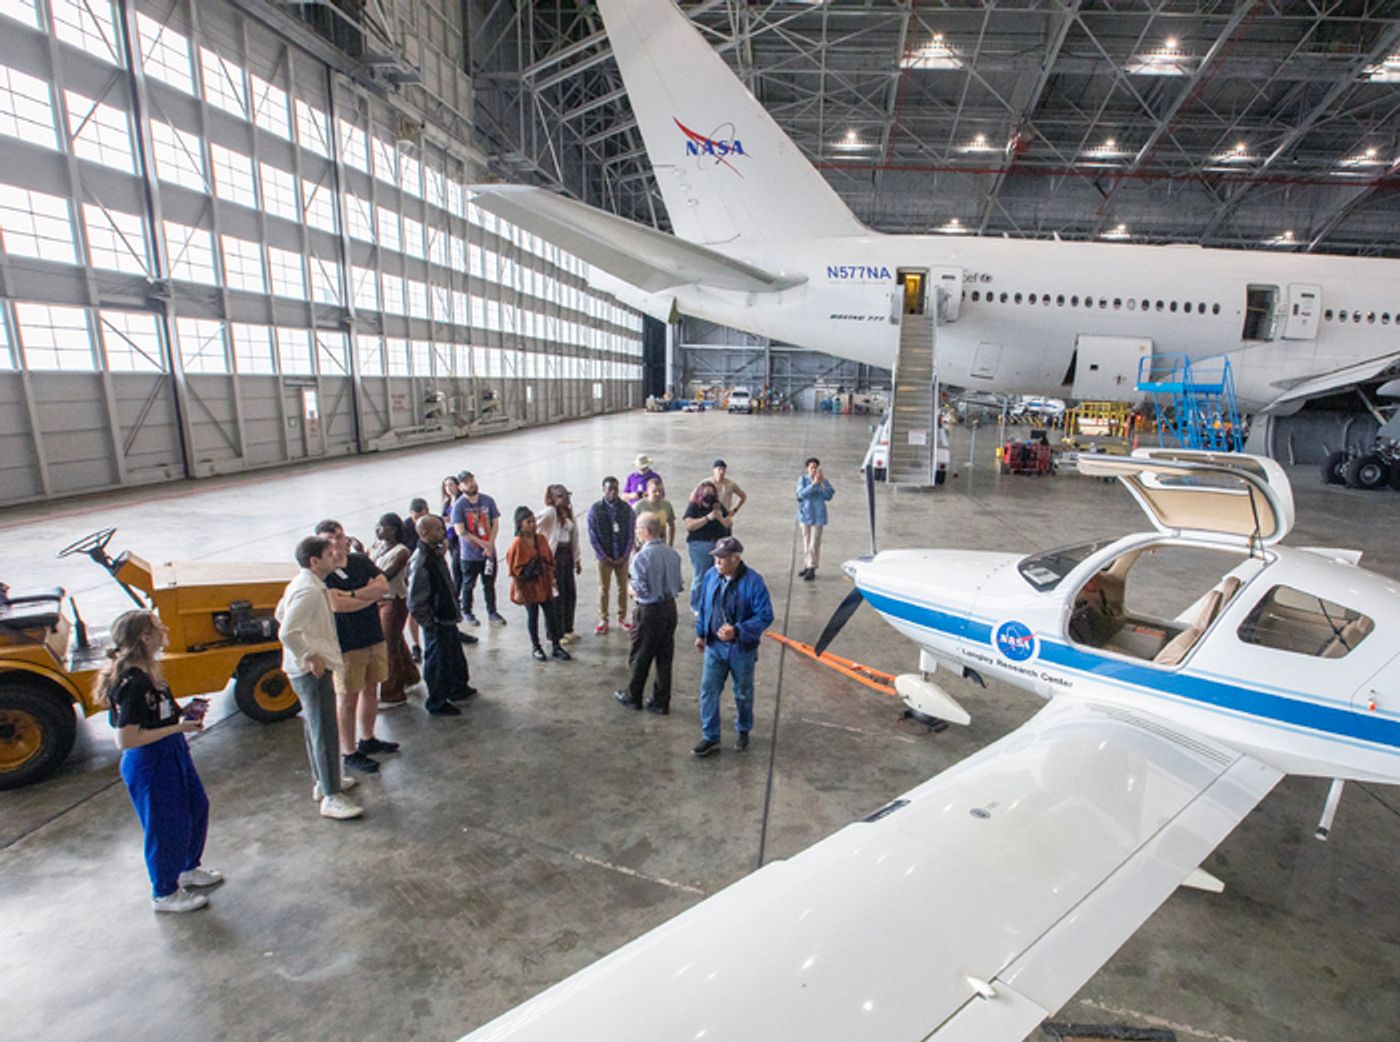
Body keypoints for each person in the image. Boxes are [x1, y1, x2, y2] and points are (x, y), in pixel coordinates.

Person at [98, 610, 221, 912]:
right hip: (150, 760)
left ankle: (187, 867)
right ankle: (164, 892)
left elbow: (161, 712)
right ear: (145, 636)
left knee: (196, 807)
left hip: (172, 751)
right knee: (165, 825)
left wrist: (185, 716)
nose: (164, 629)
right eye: (157, 627)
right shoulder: (133, 682)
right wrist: (177, 728)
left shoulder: (150, 671)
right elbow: (125, 739)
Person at [276, 536, 363, 820]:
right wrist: (310, 655)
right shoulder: (309, 591)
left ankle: (325, 781)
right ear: (315, 561)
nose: (335, 555)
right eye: (328, 553)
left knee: (315, 726)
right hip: (311, 671)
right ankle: (331, 796)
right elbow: (287, 631)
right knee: (324, 729)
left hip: (303, 668)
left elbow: (280, 613)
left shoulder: (304, 583)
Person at [315, 520, 397, 775]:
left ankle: (368, 737)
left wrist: (350, 595)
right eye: (330, 539)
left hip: (373, 636)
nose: (337, 543)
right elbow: (336, 606)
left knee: (372, 689)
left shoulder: (359, 561)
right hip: (346, 645)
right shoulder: (323, 573)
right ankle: (349, 751)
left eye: (340, 536)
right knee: (348, 698)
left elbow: (383, 586)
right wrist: (366, 595)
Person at [692, 537, 774, 757]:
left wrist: (737, 631)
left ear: (736, 559)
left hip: (741, 651)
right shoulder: (711, 577)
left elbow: (765, 615)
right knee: (708, 692)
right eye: (716, 558)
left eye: (722, 559)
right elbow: (704, 606)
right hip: (714, 648)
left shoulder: (754, 582)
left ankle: (743, 729)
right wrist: (701, 633)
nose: (718, 562)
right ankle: (710, 736)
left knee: (743, 693)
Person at [614, 513, 683, 713]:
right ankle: (661, 701)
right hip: (669, 608)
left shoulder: (641, 558)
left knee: (640, 655)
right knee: (664, 656)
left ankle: (633, 695)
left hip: (649, 611)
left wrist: (628, 588)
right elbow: (678, 585)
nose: (636, 532)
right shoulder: (673, 554)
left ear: (645, 531)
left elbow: (639, 589)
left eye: (637, 529)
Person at [407, 516, 473, 715]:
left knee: (453, 657)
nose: (442, 532)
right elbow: (415, 601)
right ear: (424, 533)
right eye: (437, 529)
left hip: (447, 617)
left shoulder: (434, 553)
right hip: (436, 621)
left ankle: (457, 688)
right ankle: (437, 701)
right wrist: (430, 624)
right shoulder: (422, 560)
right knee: (437, 662)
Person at [507, 506, 571, 661]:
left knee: (551, 616)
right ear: (520, 524)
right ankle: (536, 647)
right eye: (528, 521)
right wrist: (519, 591)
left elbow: (550, 560)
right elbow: (513, 570)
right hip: (528, 587)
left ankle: (556, 646)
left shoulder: (541, 539)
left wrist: (553, 580)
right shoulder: (517, 544)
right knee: (532, 616)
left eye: (533, 521)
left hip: (544, 583)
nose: (533, 524)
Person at [370, 513, 420, 708]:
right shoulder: (379, 547)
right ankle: (410, 676)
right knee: (396, 640)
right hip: (380, 599)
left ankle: (393, 693)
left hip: (395, 601)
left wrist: (364, 568)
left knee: (388, 646)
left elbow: (386, 575)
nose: (377, 530)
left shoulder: (402, 552)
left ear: (393, 529)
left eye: (381, 527)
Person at [451, 471, 506, 625]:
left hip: (489, 553)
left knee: (489, 583)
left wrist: (491, 543)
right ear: (461, 487)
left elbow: (495, 523)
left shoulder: (488, 501)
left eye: (472, 480)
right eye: (466, 482)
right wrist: (483, 544)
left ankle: (492, 612)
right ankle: (467, 611)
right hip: (470, 555)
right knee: (468, 584)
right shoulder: (459, 505)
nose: (471, 484)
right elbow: (460, 531)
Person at [588, 476, 636, 634]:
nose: (613, 492)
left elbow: (631, 534)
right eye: (610, 489)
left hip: (621, 555)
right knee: (604, 588)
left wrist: (625, 555)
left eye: (615, 489)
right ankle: (603, 619)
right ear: (604, 490)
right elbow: (593, 535)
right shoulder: (596, 509)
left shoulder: (627, 509)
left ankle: (622, 618)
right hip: (604, 557)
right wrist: (603, 556)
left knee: (623, 587)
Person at [536, 484, 582, 643]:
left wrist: (577, 558)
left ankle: (568, 628)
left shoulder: (568, 512)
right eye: (561, 496)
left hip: (567, 556)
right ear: (553, 498)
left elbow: (574, 535)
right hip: (554, 558)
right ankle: (556, 633)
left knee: (570, 593)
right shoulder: (550, 512)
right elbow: (533, 523)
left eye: (566, 495)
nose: (565, 499)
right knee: (557, 596)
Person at [681, 480, 732, 613]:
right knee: (701, 576)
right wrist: (707, 518)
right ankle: (696, 605)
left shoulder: (718, 506)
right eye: (706, 494)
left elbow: (728, 523)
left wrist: (720, 517)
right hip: (700, 545)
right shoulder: (694, 507)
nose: (709, 496)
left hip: (718, 545)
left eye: (712, 493)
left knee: (718, 575)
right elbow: (689, 525)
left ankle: (714, 602)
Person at [795, 457, 836, 581]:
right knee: (806, 541)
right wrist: (813, 485)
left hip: (818, 515)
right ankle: (807, 565)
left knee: (814, 543)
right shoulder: (803, 480)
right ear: (807, 468)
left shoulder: (823, 481)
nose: (813, 470)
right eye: (811, 467)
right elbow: (801, 494)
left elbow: (829, 496)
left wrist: (822, 483)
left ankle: (812, 567)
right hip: (806, 514)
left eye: (815, 467)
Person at [404, 497, 431, 663]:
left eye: (424, 514)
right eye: (417, 515)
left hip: (429, 571)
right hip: (411, 573)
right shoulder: (405, 527)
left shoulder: (432, 522)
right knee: (414, 608)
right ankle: (416, 644)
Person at [633, 476, 675, 547]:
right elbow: (630, 528)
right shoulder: (639, 506)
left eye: (660, 491)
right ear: (647, 491)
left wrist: (670, 544)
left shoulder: (667, 505)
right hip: (642, 546)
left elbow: (672, 525)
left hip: (661, 545)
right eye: (654, 491)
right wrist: (633, 549)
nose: (658, 494)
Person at [708, 459, 748, 524]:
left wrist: (735, 510)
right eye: (719, 469)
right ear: (714, 470)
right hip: (710, 516)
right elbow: (694, 497)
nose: (721, 472)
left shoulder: (731, 484)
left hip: (725, 516)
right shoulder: (706, 483)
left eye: (724, 470)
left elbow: (743, 496)